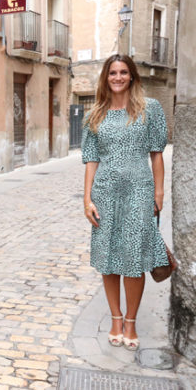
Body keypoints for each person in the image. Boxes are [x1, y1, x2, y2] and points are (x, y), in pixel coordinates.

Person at [81, 54, 168, 351]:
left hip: (139, 192)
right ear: (106, 78)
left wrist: (158, 194)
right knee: (108, 257)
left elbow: (157, 153)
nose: (117, 77)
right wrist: (87, 198)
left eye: (123, 72)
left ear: (132, 76)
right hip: (105, 193)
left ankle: (131, 321)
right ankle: (115, 318)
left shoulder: (150, 109)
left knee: (134, 259)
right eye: (112, 73)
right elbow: (91, 159)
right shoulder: (95, 114)